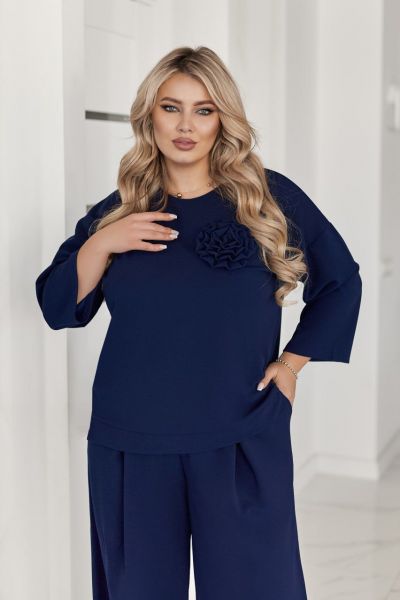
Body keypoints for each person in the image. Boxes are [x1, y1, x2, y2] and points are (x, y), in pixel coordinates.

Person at [35, 46, 362, 600]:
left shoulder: (268, 199)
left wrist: (291, 365)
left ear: (222, 119)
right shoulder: (119, 209)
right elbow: (57, 306)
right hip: (133, 437)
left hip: (242, 428)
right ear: (150, 116)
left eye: (204, 110)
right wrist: (103, 242)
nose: (186, 125)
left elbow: (341, 281)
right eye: (171, 108)